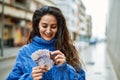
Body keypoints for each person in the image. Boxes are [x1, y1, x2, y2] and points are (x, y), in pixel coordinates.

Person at [7, 6, 85, 80]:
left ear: (58, 28)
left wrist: (64, 69)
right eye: (44, 26)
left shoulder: (67, 49)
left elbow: (81, 78)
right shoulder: (25, 52)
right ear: (38, 25)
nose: (48, 31)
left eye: (53, 26)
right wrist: (30, 78)